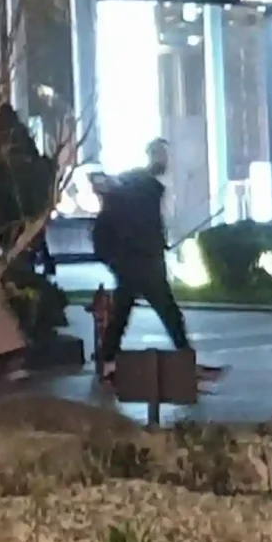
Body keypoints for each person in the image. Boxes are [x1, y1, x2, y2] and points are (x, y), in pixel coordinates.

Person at [91, 139, 218, 385]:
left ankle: (108, 363)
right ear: (153, 156)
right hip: (144, 262)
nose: (167, 161)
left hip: (135, 261)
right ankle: (184, 360)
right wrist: (151, 246)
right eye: (163, 156)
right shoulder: (144, 189)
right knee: (165, 313)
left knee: (125, 313)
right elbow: (140, 227)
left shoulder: (133, 189)